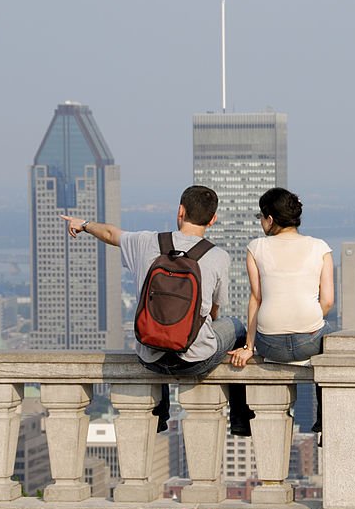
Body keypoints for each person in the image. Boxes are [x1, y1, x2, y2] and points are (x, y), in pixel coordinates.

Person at [60, 185, 255, 435]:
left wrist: (83, 223)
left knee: (160, 334)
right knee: (237, 326)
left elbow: (110, 233)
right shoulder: (218, 256)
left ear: (180, 211)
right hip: (195, 360)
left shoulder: (147, 242)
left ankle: (161, 414)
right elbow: (215, 310)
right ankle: (240, 417)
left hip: (150, 356)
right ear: (213, 219)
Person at [227, 187, 333, 436]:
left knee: (239, 337)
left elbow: (256, 298)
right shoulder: (320, 248)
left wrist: (249, 347)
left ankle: (241, 421)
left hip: (268, 343)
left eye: (261, 217)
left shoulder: (256, 247)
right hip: (309, 341)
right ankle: (323, 419)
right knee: (331, 338)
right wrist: (307, 321)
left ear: (270, 219)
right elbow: (327, 302)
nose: (261, 223)